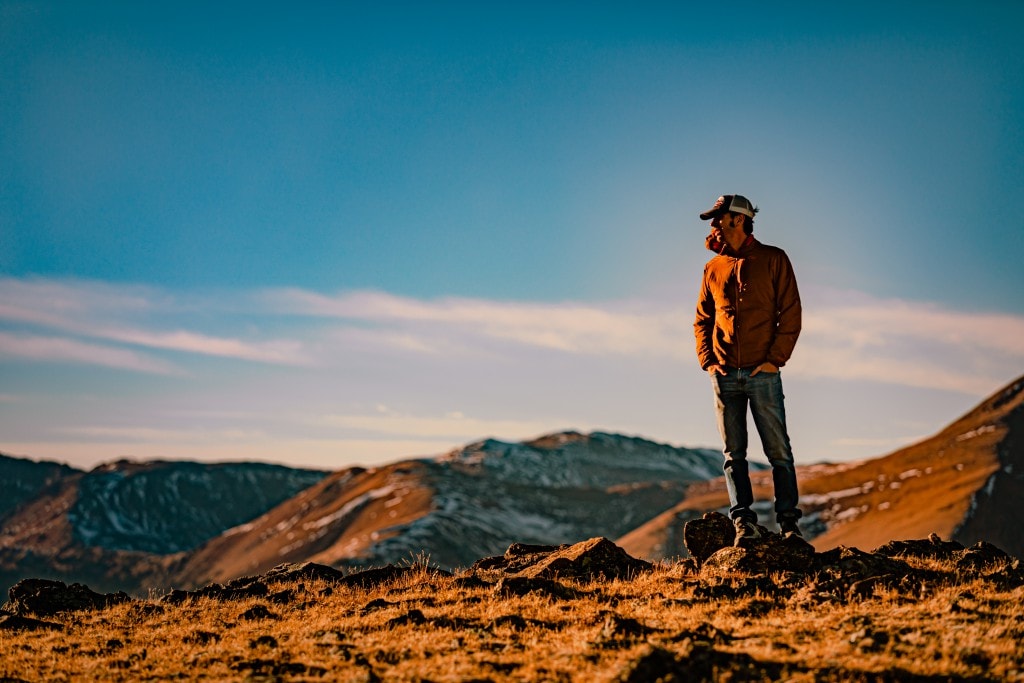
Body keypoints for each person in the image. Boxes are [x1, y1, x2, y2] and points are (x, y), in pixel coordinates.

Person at [693, 194, 803, 544]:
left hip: (763, 373)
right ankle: (744, 522)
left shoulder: (774, 259)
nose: (715, 226)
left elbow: (792, 313)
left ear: (738, 220)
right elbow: (702, 318)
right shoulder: (713, 268)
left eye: (719, 219)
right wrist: (708, 361)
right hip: (724, 374)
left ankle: (789, 524)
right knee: (733, 453)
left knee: (778, 452)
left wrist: (775, 359)